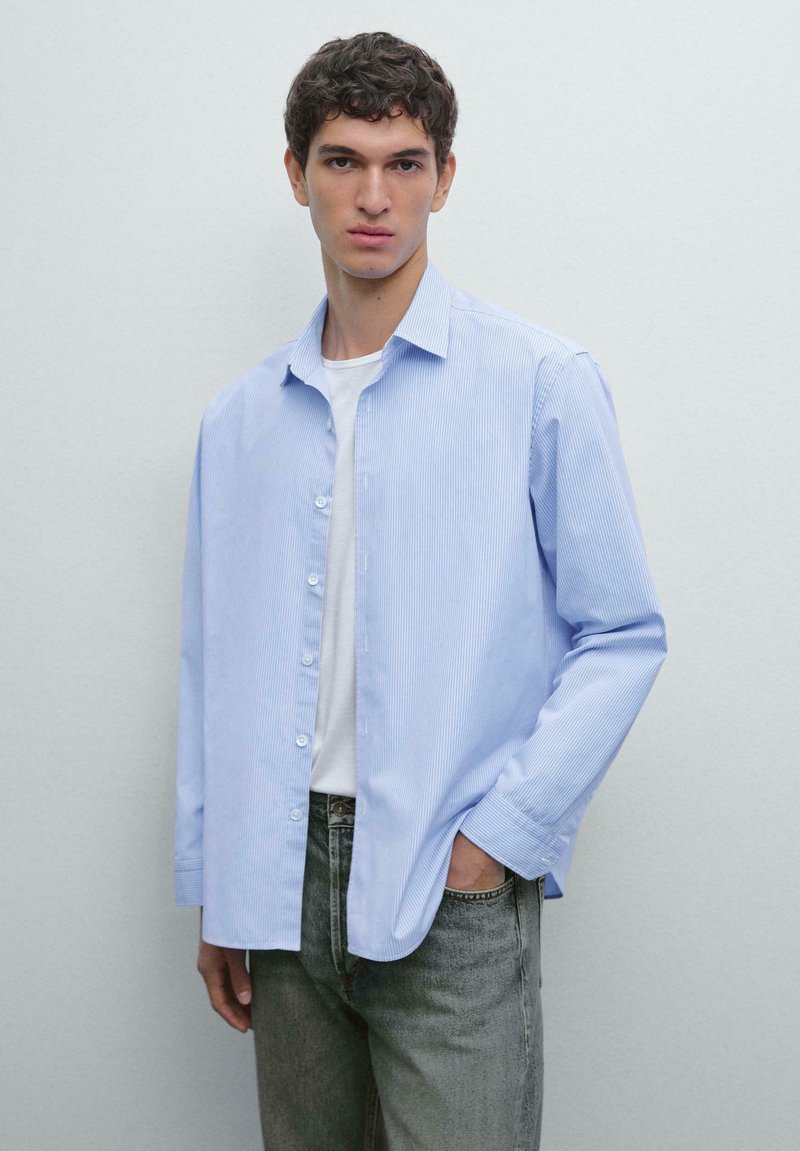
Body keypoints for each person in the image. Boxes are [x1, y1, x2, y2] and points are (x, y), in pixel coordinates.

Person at [173, 30, 667, 1151]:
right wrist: (223, 878)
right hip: (277, 881)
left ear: (444, 178)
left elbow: (622, 632)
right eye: (342, 160)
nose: (373, 197)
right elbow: (214, 663)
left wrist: (496, 838)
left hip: (450, 878)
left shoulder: (538, 381)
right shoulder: (239, 420)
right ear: (295, 173)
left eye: (404, 163)